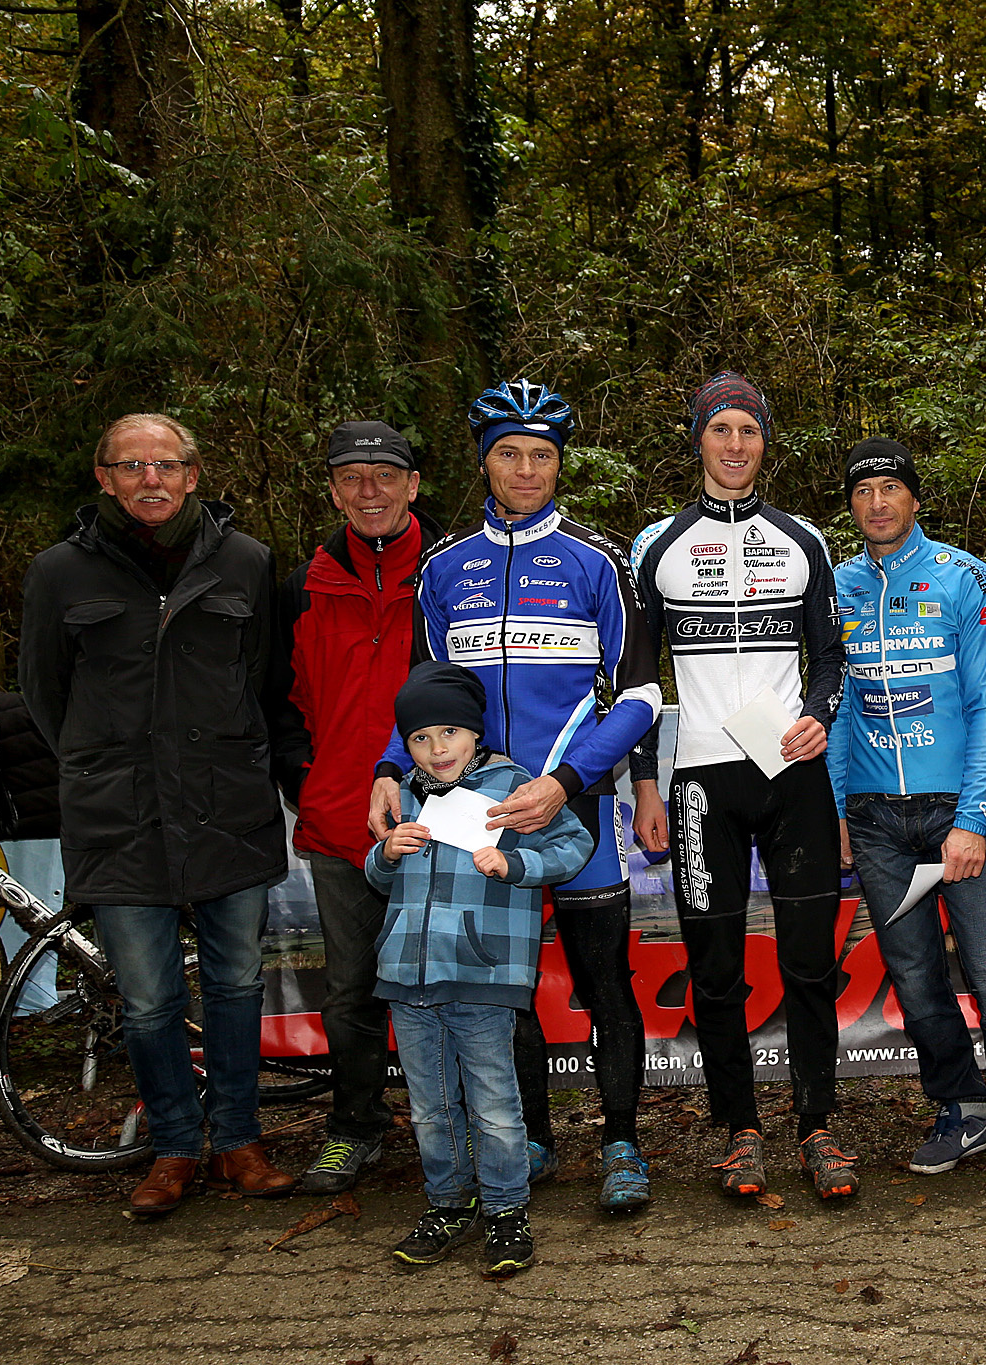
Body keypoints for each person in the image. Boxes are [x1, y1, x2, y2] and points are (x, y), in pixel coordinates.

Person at [366, 381, 662, 1211]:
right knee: (505, 991)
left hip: (572, 809)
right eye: (508, 453)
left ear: (560, 464)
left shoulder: (597, 558)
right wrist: (389, 767)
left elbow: (640, 694)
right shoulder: (442, 566)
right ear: (484, 462)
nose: (525, 469)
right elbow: (421, 695)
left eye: (541, 454)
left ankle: (621, 1141)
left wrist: (565, 783)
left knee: (605, 983)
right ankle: (531, 1137)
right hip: (474, 816)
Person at [19, 412, 296, 1215]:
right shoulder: (59, 572)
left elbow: (264, 681)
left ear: (192, 474)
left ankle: (239, 1139)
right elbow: (45, 692)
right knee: (146, 1000)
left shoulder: (247, 562)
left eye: (166, 464)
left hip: (226, 808)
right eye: (132, 465)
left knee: (236, 984)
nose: (151, 479)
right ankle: (174, 1146)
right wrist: (104, 761)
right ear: (104, 477)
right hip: (120, 816)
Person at [828, 439, 986, 1221]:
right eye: (863, 491)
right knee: (915, 981)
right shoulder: (838, 583)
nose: (877, 502)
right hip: (874, 819)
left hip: (954, 814)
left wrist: (970, 819)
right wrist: (840, 808)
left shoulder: (966, 577)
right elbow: (839, 705)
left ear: (914, 498)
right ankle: (962, 1106)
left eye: (890, 488)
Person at [628, 372, 856, 1200]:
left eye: (748, 431)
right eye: (720, 429)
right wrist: (644, 785)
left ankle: (818, 1125)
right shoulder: (656, 543)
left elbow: (829, 656)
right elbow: (636, 676)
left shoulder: (803, 540)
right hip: (699, 781)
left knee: (809, 962)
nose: (734, 445)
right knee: (715, 964)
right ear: (698, 438)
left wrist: (820, 715)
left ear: (765, 442)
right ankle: (740, 1130)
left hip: (791, 772)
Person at [367, 662, 594, 1274]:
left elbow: (574, 844)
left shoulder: (515, 786)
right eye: (420, 738)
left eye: (450, 733)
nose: (437, 749)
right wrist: (385, 855)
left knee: (493, 1102)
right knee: (430, 1105)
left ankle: (506, 1210)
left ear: (475, 732)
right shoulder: (402, 793)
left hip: (483, 973)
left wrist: (515, 865)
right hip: (408, 977)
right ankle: (448, 1202)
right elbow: (378, 877)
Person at [269, 419, 442, 1196]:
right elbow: (277, 701)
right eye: (352, 477)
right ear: (334, 490)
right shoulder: (300, 585)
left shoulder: (452, 569)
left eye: (385, 475)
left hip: (442, 817)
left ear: (413, 484)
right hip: (341, 819)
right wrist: (306, 778)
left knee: (459, 984)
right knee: (352, 990)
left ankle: (471, 1128)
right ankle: (355, 1126)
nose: (369, 491)